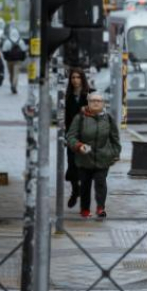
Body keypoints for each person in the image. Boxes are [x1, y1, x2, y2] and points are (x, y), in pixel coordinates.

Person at [66, 93, 121, 219]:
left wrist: (115, 153)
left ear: (103, 104)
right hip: (84, 158)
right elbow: (70, 136)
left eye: (99, 101)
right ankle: (85, 209)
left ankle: (101, 208)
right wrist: (79, 145)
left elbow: (115, 138)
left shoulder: (108, 118)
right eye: (93, 101)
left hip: (103, 157)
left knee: (100, 182)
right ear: (88, 103)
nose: (96, 103)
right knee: (85, 184)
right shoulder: (80, 118)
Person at [64, 68, 89, 209]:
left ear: (82, 79)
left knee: (85, 167)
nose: (75, 80)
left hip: (87, 135)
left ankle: (84, 201)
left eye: (78, 77)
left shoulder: (89, 94)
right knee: (72, 165)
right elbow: (64, 118)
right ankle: (75, 191)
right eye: (73, 77)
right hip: (72, 136)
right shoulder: (67, 96)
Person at [1, 26, 27, 94]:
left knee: (11, 74)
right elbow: (24, 51)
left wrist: (6, 58)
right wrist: (22, 58)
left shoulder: (7, 41)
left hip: (9, 61)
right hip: (17, 61)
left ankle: (11, 85)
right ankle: (14, 85)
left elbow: (4, 51)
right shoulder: (20, 41)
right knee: (16, 74)